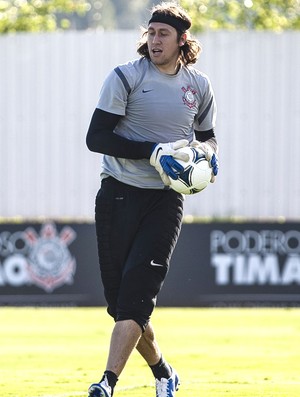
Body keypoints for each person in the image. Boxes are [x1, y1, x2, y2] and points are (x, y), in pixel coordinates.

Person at [85, 2, 219, 397]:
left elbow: (208, 136)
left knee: (137, 297)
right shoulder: (125, 77)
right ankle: (163, 372)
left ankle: (106, 383)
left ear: (182, 41)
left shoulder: (200, 86)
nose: (154, 39)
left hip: (164, 201)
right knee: (122, 305)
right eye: (151, 32)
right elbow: (97, 138)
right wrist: (153, 151)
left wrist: (208, 154)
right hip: (118, 196)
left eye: (163, 34)